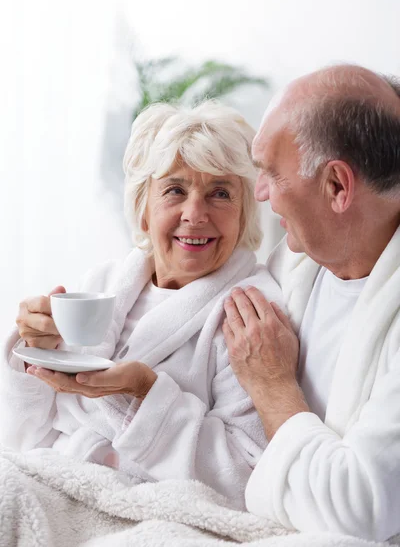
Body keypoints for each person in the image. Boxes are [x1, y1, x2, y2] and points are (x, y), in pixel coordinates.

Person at [0, 100, 284, 510]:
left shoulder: (249, 312)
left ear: (244, 213)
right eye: (175, 190)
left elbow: (247, 475)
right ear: (144, 209)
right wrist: (29, 355)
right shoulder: (101, 285)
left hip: (146, 511)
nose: (195, 214)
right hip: (54, 481)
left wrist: (142, 393)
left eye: (220, 193)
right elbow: (22, 434)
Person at [223, 64, 400, 540]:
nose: (258, 193)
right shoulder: (297, 262)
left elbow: (359, 509)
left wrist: (273, 388)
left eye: (269, 173)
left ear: (337, 187)